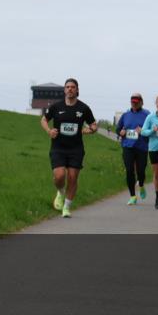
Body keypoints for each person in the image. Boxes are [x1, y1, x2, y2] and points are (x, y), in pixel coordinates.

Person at [40, 78, 98, 218]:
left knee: (72, 178)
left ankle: (66, 207)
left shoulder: (83, 108)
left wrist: (91, 129)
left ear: (77, 90)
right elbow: (43, 120)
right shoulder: (56, 106)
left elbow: (93, 125)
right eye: (67, 87)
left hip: (76, 149)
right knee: (59, 176)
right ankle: (60, 192)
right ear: (64, 90)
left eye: (73, 87)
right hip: (58, 148)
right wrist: (49, 131)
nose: (70, 89)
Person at [116, 93, 150, 205]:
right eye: (132, 102)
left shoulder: (147, 114)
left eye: (136, 102)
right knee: (129, 170)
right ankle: (132, 196)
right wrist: (121, 132)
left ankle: (141, 185)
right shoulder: (125, 115)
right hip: (128, 146)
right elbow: (118, 129)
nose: (134, 104)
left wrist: (143, 131)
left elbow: (152, 130)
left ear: (141, 102)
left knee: (141, 171)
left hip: (142, 147)